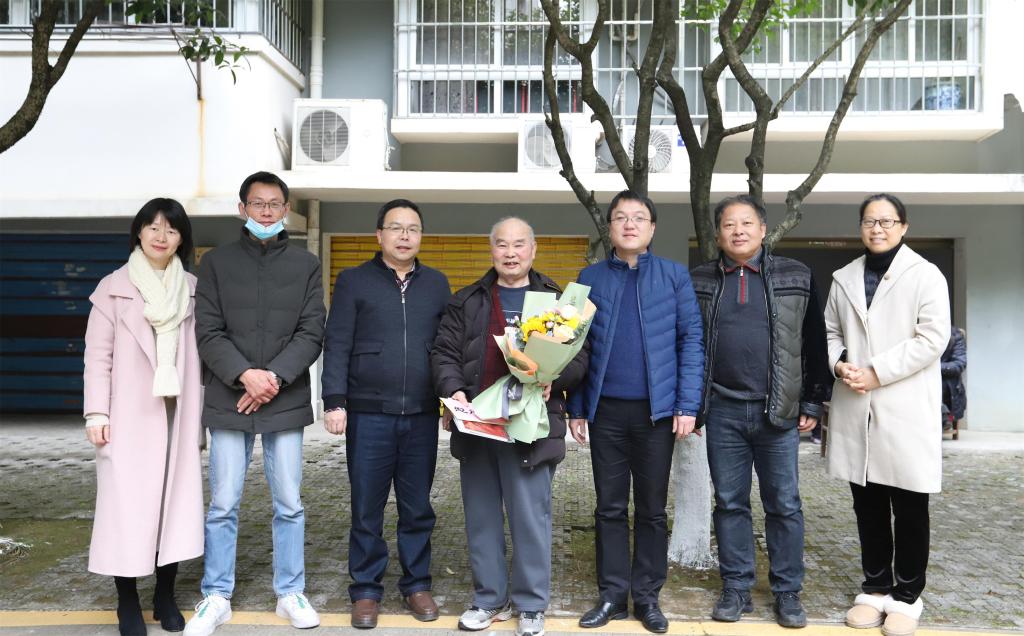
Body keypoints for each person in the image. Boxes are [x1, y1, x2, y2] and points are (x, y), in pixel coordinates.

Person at [430, 217, 588, 636]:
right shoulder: (467, 300)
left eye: (519, 245)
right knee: (481, 517)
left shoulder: (557, 301)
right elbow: (443, 353)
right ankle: (488, 598)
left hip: (531, 427)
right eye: (502, 245)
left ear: (533, 250)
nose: (511, 253)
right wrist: (453, 391)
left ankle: (531, 604)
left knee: (530, 518)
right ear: (492, 250)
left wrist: (557, 376)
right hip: (479, 425)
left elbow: (580, 357)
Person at [184, 172, 326, 636]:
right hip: (230, 397)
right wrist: (245, 375)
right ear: (241, 208)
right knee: (223, 503)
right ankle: (216, 595)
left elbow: (312, 330)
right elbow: (208, 330)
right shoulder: (216, 263)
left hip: (284, 398)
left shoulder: (305, 265)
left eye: (274, 204)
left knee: (289, 503)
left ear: (286, 210)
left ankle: (290, 592)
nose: (266, 212)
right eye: (257, 203)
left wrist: (274, 378)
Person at [690, 195, 832, 629]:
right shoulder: (700, 279)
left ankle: (788, 592)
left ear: (763, 230)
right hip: (723, 410)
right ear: (717, 234)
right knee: (729, 502)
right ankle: (736, 587)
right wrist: (693, 405)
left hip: (778, 410)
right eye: (729, 225)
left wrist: (812, 400)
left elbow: (814, 341)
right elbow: (689, 345)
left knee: (784, 504)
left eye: (747, 223)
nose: (738, 231)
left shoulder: (796, 275)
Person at [567, 190, 704, 635]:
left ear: (652, 228)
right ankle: (611, 594)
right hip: (605, 413)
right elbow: (573, 347)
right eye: (621, 217)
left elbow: (691, 341)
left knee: (651, 509)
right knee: (608, 507)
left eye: (639, 217)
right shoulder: (588, 278)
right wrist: (577, 407)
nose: (629, 224)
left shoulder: (674, 276)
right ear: (609, 227)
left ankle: (647, 596)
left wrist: (687, 405)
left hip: (656, 415)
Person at [321, 199, 451, 629]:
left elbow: (447, 347)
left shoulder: (437, 284)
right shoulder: (353, 280)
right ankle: (365, 590)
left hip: (421, 415)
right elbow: (337, 342)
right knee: (366, 508)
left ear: (421, 236)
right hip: (368, 414)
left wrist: (451, 402)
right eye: (396, 227)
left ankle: (417, 584)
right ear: (379, 235)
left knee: (417, 507)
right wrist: (334, 401)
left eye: (412, 228)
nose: (404, 236)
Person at [825, 193, 950, 636]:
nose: (877, 229)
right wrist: (839, 364)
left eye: (886, 221)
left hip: (904, 405)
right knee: (868, 505)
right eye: (869, 221)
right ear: (861, 227)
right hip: (856, 403)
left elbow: (932, 338)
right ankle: (875, 588)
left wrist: (877, 372)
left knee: (910, 507)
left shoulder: (925, 275)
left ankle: (907, 596)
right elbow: (830, 331)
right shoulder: (844, 277)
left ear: (903, 227)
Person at [83, 198, 203, 636]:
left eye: (171, 229)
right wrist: (96, 412)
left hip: (176, 413)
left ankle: (165, 594)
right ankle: (127, 599)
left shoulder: (192, 288)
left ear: (181, 239)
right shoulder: (113, 288)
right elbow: (97, 356)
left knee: (172, 506)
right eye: (153, 227)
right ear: (138, 232)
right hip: (127, 416)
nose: (161, 236)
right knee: (127, 509)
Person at [940, 326, 966, 432]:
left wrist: (934, 368)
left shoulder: (955, 335)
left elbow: (960, 364)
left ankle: (945, 417)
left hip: (948, 385)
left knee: (939, 383)